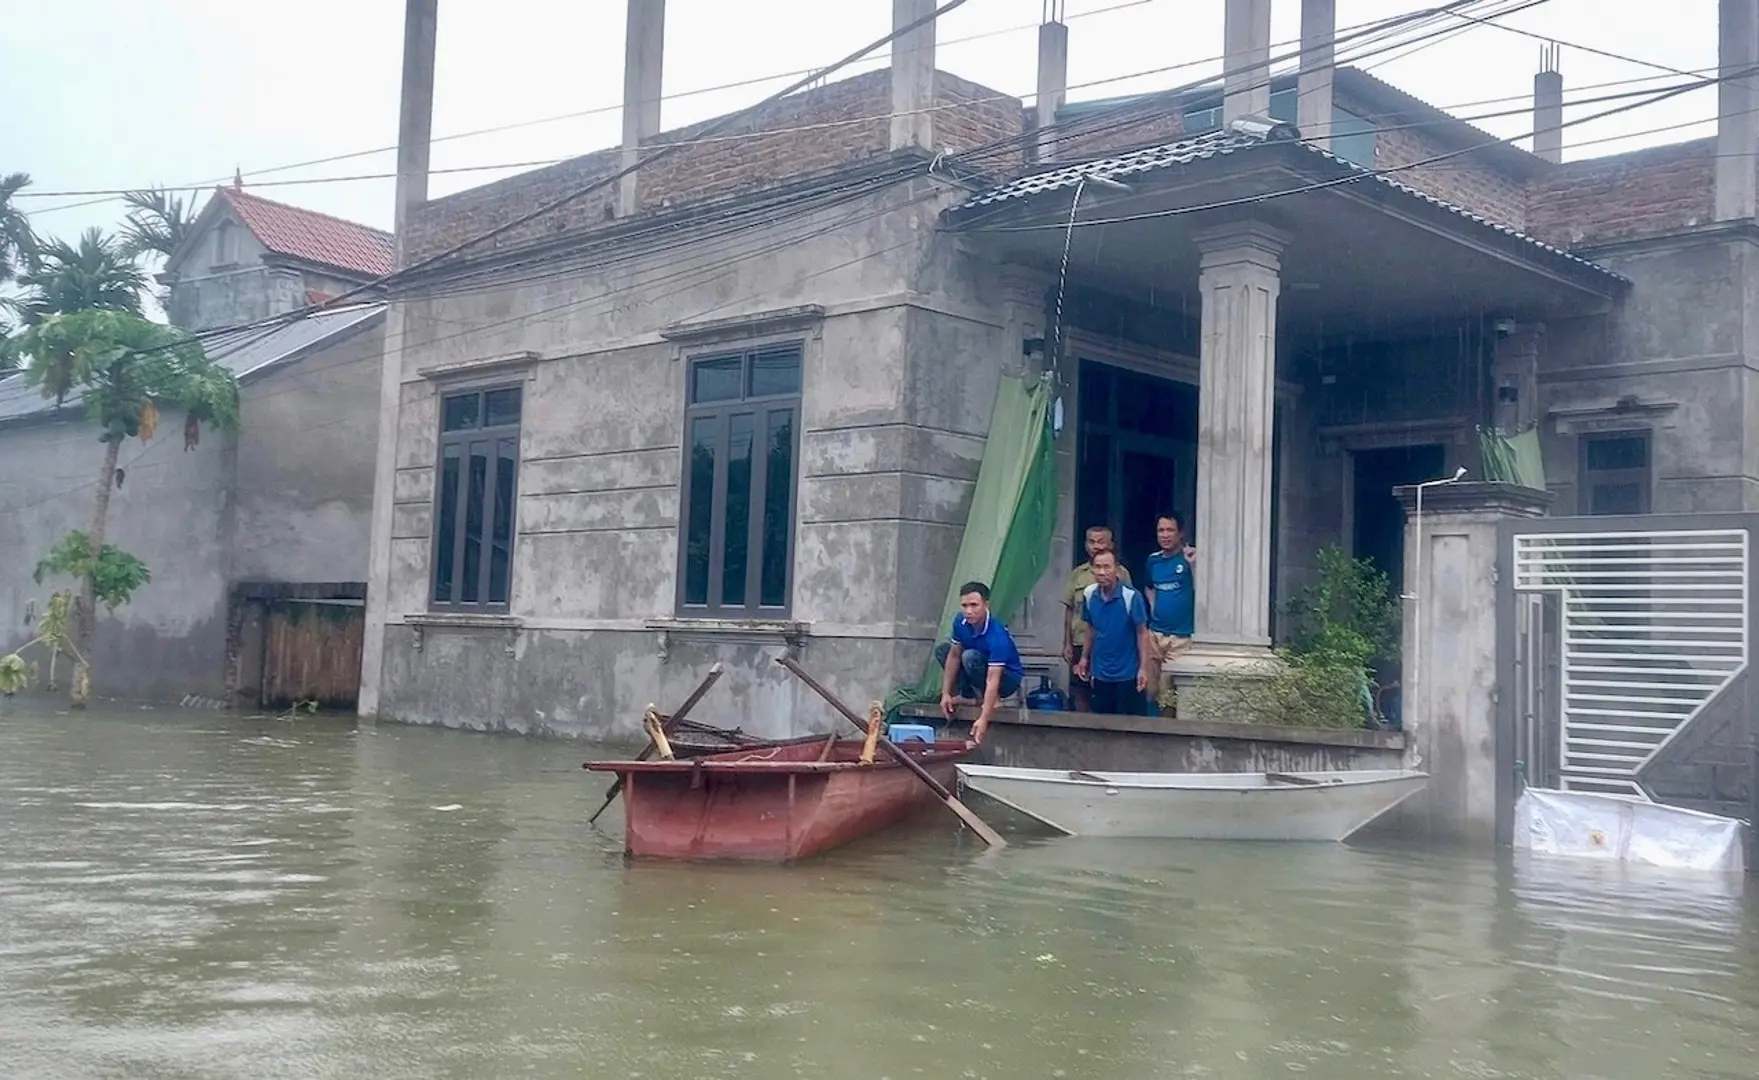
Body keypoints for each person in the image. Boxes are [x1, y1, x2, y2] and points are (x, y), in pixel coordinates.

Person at [935, 580, 1024, 744]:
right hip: (976, 666)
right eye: (965, 605)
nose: (969, 611)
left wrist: (984, 719)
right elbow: (954, 656)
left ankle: (990, 701)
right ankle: (967, 695)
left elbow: (993, 678)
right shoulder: (960, 621)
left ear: (986, 605)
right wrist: (946, 693)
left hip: (1006, 678)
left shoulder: (997, 635)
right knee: (944, 650)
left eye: (974, 605)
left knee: (969, 656)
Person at [1072, 550, 1153, 716]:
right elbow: (1091, 628)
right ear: (1092, 570)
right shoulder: (1089, 595)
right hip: (1101, 672)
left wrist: (1143, 668)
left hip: (1128, 673)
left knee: (1130, 725)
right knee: (1102, 723)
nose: (1102, 572)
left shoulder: (1131, 597)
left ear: (1116, 569)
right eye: (1098, 567)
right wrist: (1084, 658)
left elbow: (1142, 633)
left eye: (1107, 567)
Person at [1062, 525, 1132, 712]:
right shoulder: (1077, 574)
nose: (1096, 546)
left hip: (1109, 643)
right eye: (1092, 541)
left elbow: (1129, 609)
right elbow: (1069, 609)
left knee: (1108, 692)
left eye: (1101, 541)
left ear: (1111, 544)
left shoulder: (1121, 574)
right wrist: (1067, 643)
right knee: (1080, 689)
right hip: (1080, 640)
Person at [1144, 513, 1197, 710]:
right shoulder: (1153, 560)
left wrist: (1193, 564)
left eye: (1170, 530)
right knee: (1150, 690)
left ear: (1180, 533)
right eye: (1161, 530)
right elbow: (1149, 587)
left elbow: (1202, 590)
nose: (1165, 535)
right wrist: (1153, 608)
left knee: (1169, 696)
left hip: (1180, 637)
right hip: (1155, 634)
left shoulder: (1188, 558)